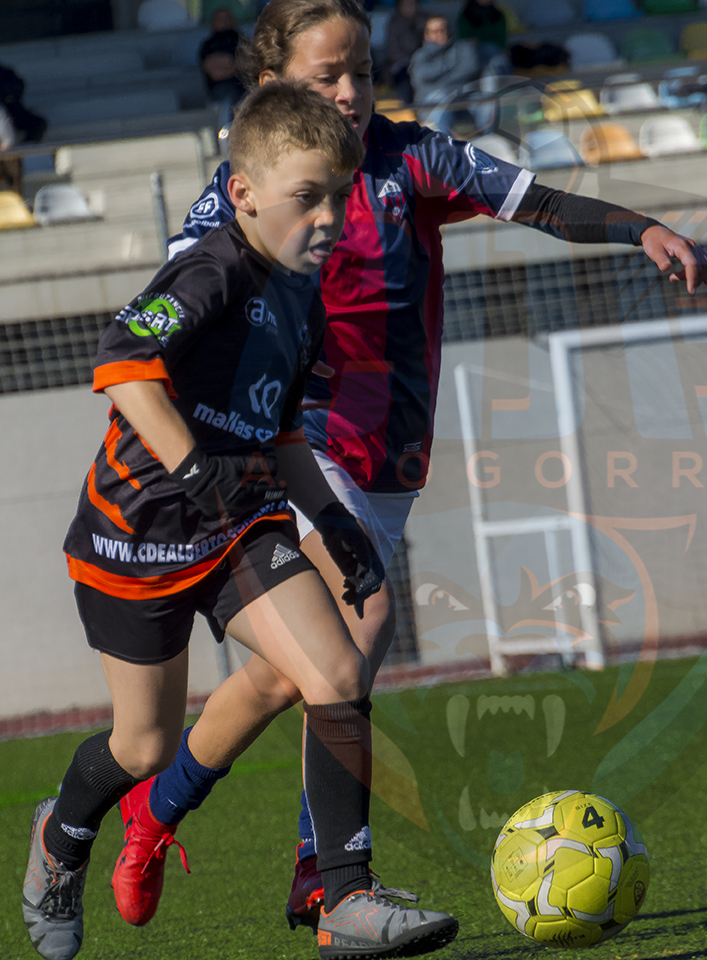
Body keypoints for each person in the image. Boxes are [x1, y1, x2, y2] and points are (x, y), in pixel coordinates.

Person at [107, 0, 707, 949]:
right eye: (325, 77)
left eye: (360, 72)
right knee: (364, 619)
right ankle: (332, 882)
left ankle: (156, 811)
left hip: (393, 452)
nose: (350, 91)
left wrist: (639, 229)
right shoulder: (246, 196)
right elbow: (176, 305)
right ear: (271, 88)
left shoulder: (412, 158)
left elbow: (536, 202)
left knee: (288, 679)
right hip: (300, 439)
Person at [20, 82, 458, 960]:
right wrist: (192, 468)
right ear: (244, 193)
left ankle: (345, 898)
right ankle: (60, 838)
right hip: (134, 538)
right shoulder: (210, 269)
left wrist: (331, 520)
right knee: (143, 747)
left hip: (237, 527)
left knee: (335, 669)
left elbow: (282, 427)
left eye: (338, 196)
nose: (327, 217)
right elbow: (124, 363)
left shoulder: (305, 297)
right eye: (307, 197)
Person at [409, 15, 483, 133]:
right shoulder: (420, 55)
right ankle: (443, 143)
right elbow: (420, 78)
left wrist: (440, 80)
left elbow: (470, 69)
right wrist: (448, 66)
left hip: (464, 96)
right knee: (441, 99)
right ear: (426, 35)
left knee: (487, 103)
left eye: (442, 30)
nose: (439, 34)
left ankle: (489, 140)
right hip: (434, 100)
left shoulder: (463, 48)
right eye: (434, 31)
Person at [199, 7, 247, 131]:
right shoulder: (208, 45)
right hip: (222, 89)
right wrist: (236, 64)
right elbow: (214, 72)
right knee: (229, 100)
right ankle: (227, 134)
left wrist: (228, 63)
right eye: (220, 19)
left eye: (227, 18)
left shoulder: (243, 41)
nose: (225, 22)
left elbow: (251, 64)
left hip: (246, 85)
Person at [383, 0, 427, 103]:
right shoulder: (394, 23)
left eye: (413, 4)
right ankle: (406, 106)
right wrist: (411, 62)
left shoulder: (425, 21)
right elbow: (393, 51)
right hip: (402, 65)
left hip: (425, 63)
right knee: (405, 80)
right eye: (406, 5)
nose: (410, 7)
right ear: (399, 6)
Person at [456, 0, 509, 71]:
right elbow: (465, 38)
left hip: (494, 51)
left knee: (497, 60)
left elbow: (502, 39)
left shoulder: (498, 15)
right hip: (474, 52)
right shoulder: (465, 16)